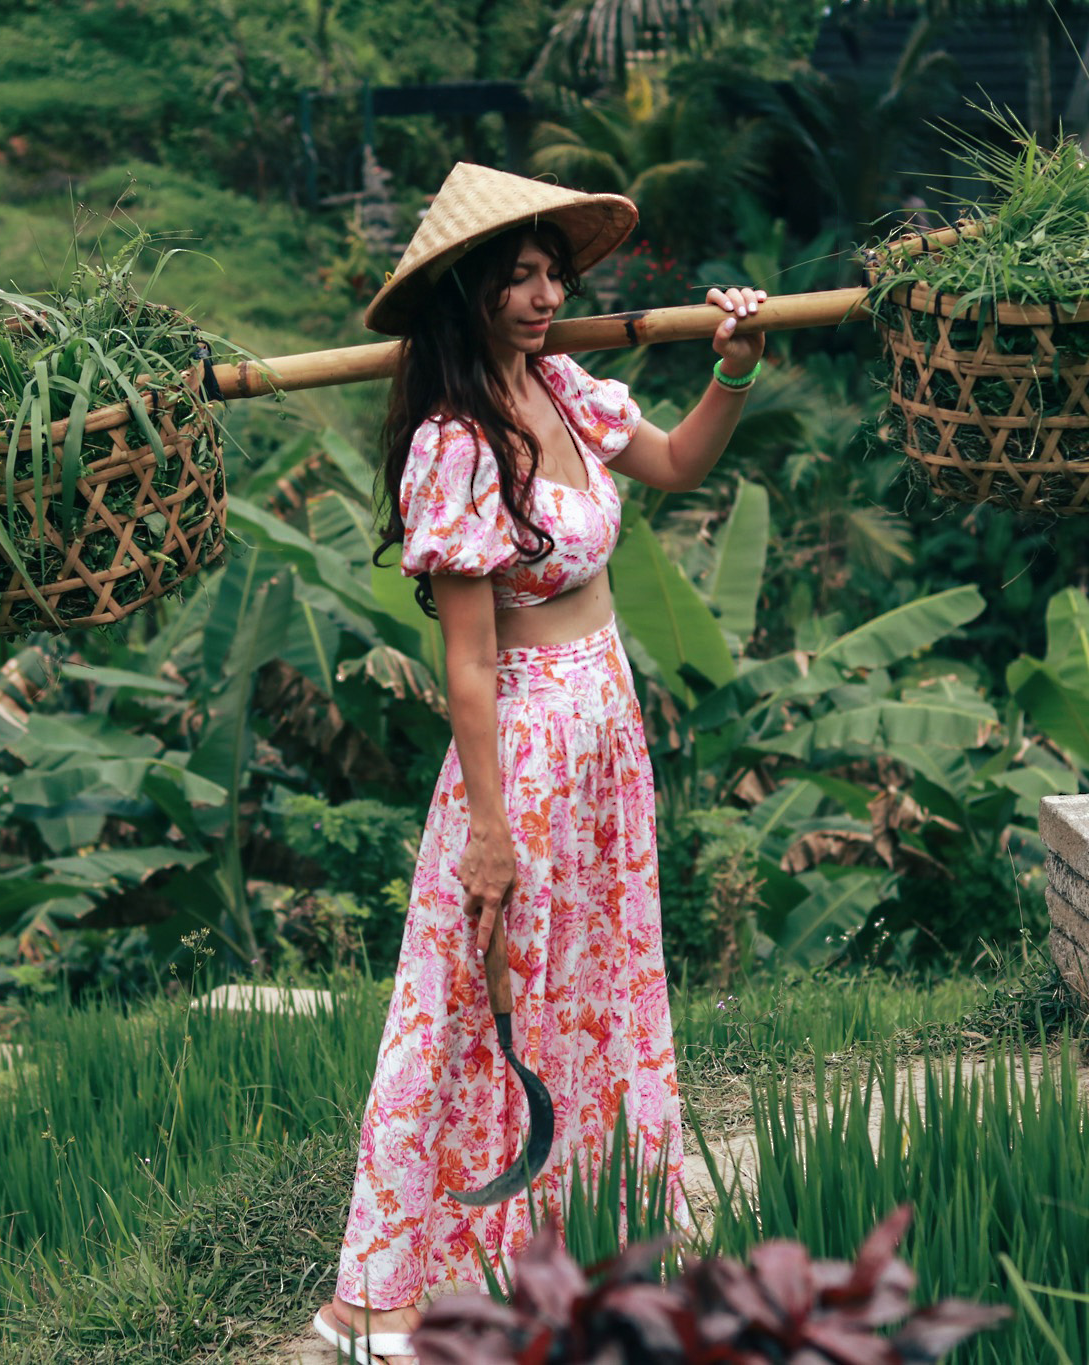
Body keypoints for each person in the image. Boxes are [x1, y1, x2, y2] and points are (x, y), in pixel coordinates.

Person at [312, 162, 767, 1365]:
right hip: (517, 745)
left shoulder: (565, 391)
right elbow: (466, 666)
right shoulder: (456, 449)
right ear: (464, 296)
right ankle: (412, 1287)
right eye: (514, 277)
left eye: (549, 273)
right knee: (478, 996)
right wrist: (487, 826)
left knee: (598, 980)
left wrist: (733, 367)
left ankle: (575, 1247)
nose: (541, 294)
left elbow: (672, 464)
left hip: (605, 731)